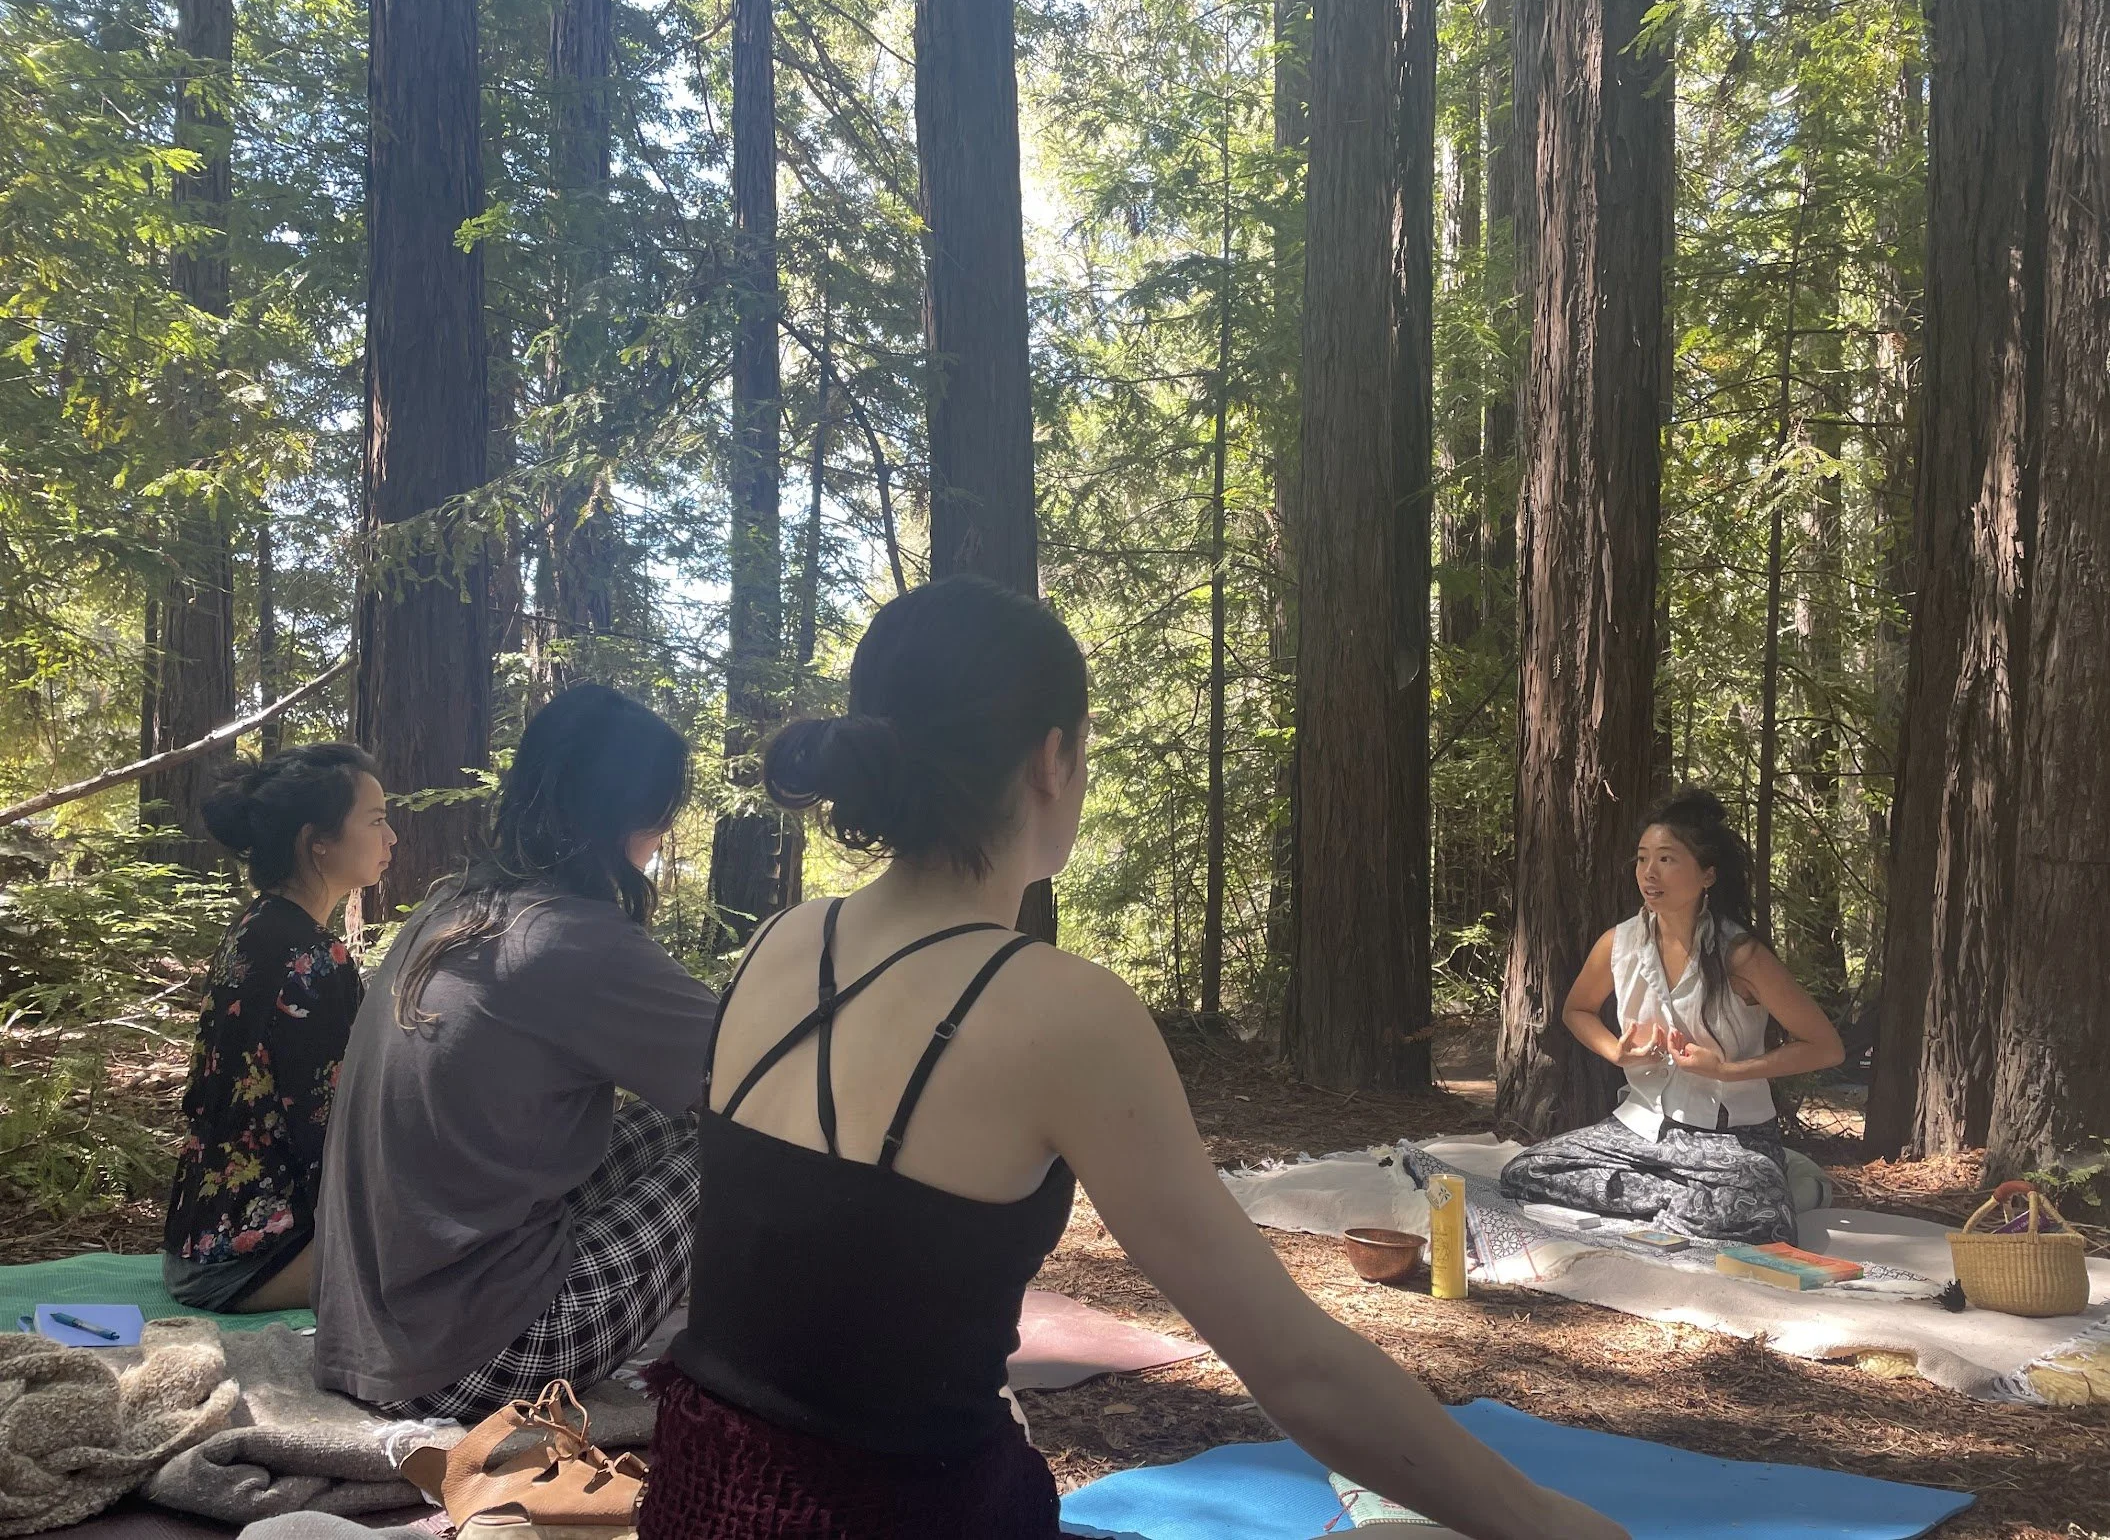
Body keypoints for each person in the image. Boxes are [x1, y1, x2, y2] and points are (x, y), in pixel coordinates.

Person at [637, 577, 1627, 1540]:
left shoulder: (784, 940)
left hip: (692, 1503)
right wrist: (1545, 1520)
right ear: (1052, 758)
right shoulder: (1061, 1011)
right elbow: (1298, 1368)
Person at [312, 684, 717, 1418]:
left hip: (364, 1331)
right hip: (467, 1360)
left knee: (672, 1130)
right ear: (632, 817)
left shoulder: (456, 909)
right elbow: (770, 1078)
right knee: (739, 1143)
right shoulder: (575, 940)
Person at [1498, 788, 1846, 1245]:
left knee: (1753, 1220)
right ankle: (1689, 1200)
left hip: (1730, 1139)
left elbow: (1826, 1047)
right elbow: (1576, 1010)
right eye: (1643, 859)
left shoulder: (1742, 955)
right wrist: (1616, 1052)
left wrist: (1726, 1070)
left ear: (1707, 875)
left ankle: (1752, 1184)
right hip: (1642, 1130)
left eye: (1667, 859)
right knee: (1525, 1171)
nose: (1649, 873)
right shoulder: (1619, 942)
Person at [164, 744, 395, 1314]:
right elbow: (333, 1135)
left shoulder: (253, 926)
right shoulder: (315, 959)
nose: (391, 838)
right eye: (376, 820)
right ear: (317, 840)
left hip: (195, 1242)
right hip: (251, 1262)